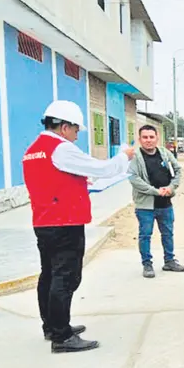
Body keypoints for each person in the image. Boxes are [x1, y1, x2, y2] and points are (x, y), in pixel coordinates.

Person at [22, 100, 135, 353]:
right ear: (64, 127)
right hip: (65, 223)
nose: (76, 136)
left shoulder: (33, 150)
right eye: (75, 131)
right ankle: (62, 337)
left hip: (45, 222)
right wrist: (123, 157)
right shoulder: (60, 149)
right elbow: (102, 168)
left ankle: (52, 326)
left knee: (49, 275)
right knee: (66, 277)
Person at [129, 125, 184, 278]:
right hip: (145, 206)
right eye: (145, 137)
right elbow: (134, 179)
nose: (148, 140)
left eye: (151, 137)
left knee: (168, 233)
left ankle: (169, 261)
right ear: (140, 139)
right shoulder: (135, 157)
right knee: (145, 235)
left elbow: (178, 170)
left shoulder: (165, 153)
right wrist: (155, 191)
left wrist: (171, 187)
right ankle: (147, 264)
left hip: (165, 204)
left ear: (157, 138)